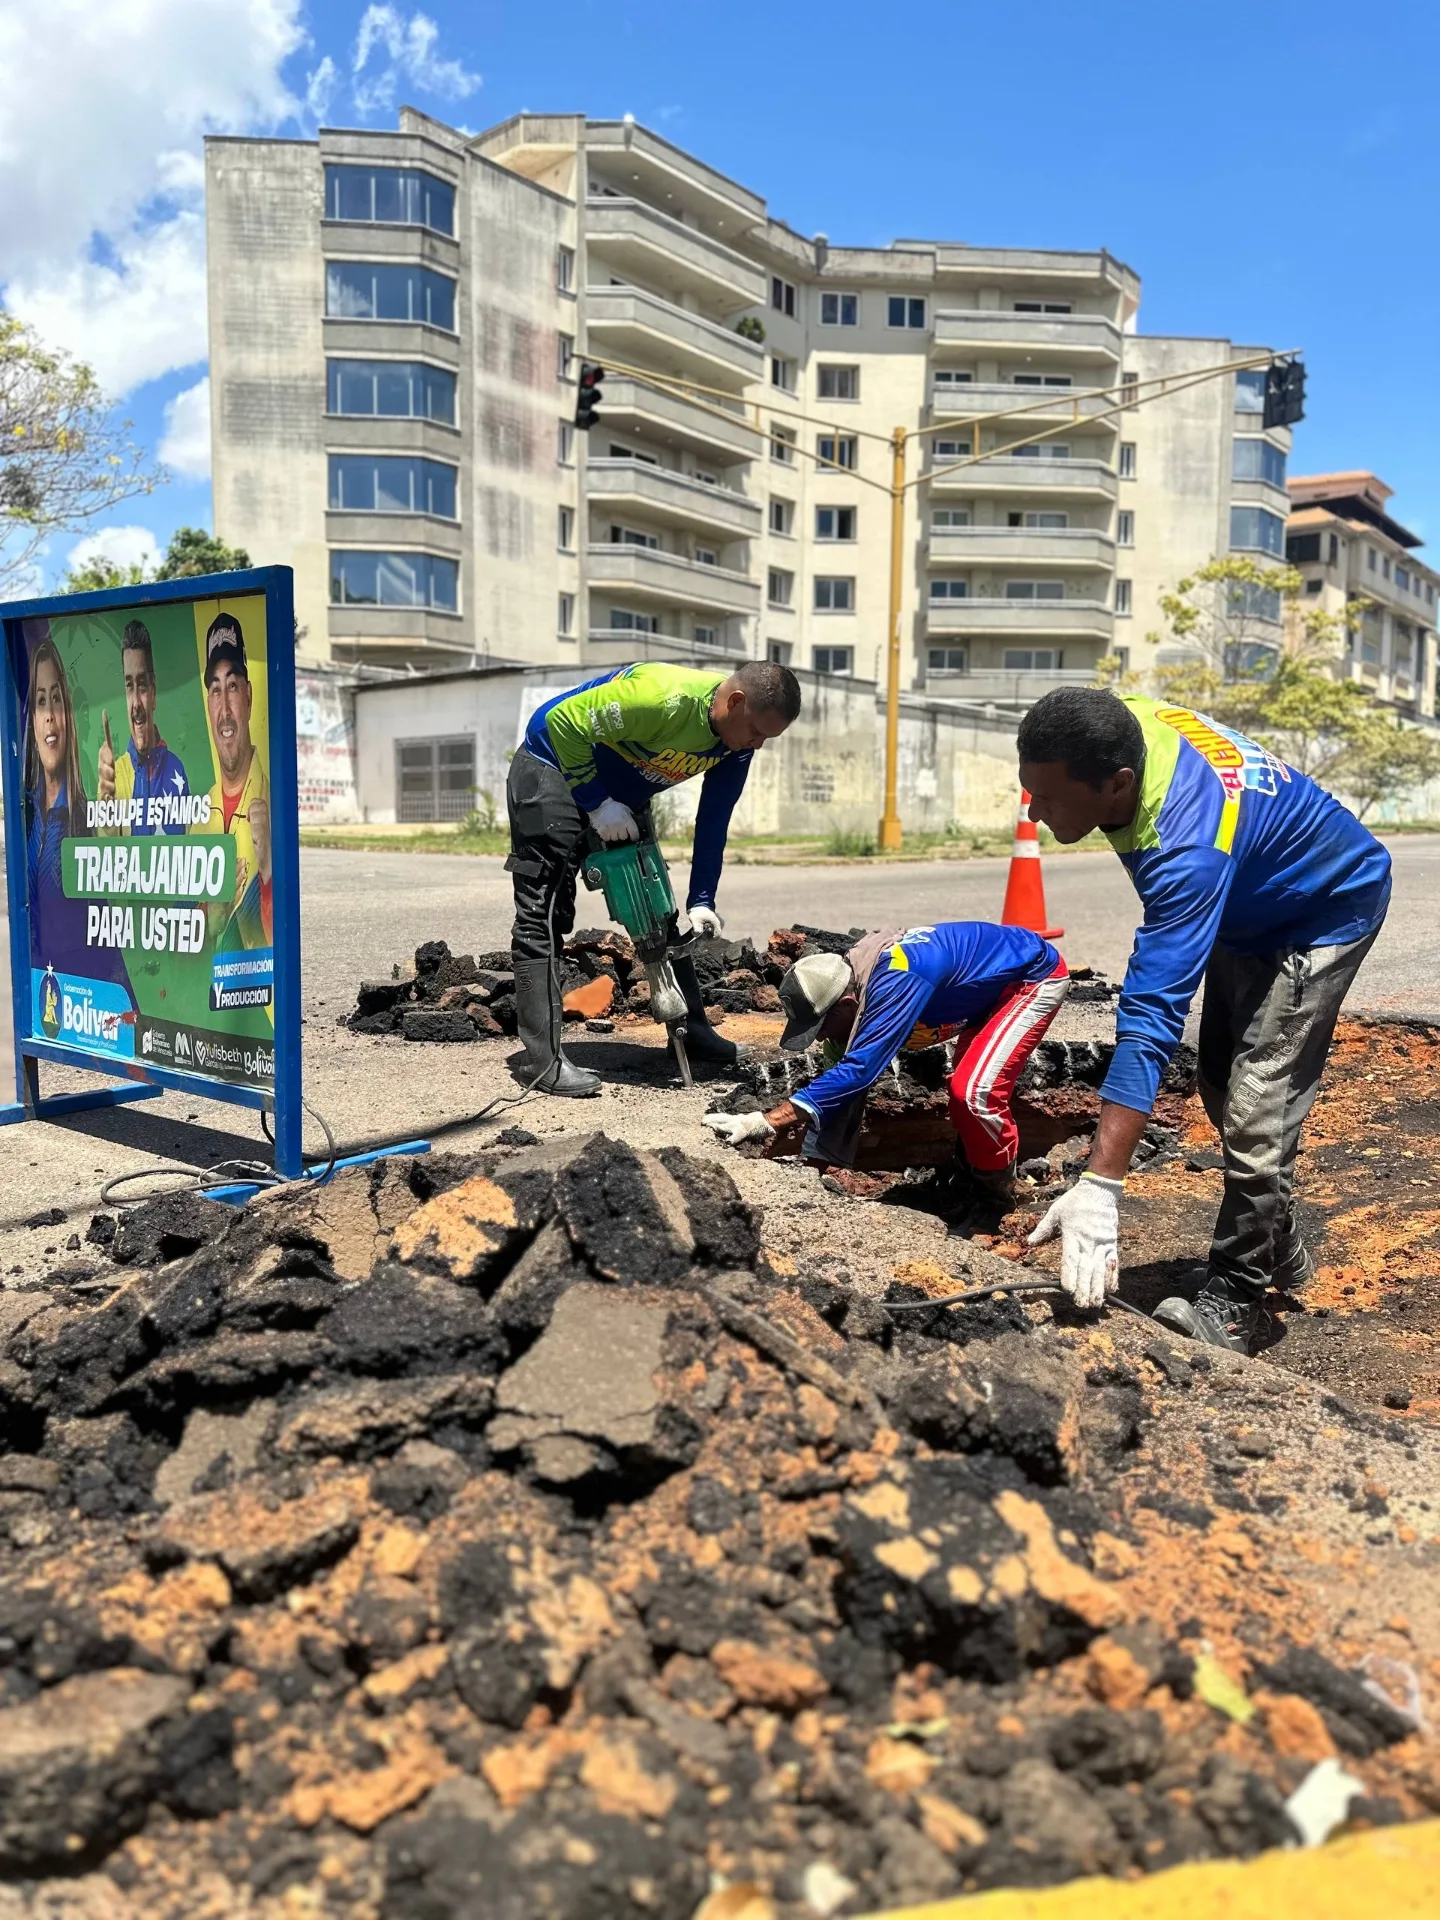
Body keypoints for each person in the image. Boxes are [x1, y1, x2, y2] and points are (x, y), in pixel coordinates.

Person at [1017, 686, 1391, 1354]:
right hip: (1246, 906)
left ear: (1117, 784)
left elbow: (1153, 1012)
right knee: (1218, 1088)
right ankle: (1277, 1237)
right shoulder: (1117, 730)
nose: (1035, 811)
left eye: (1049, 798)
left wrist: (1100, 1183)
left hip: (1327, 910)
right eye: (1029, 792)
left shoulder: (1183, 843)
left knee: (1255, 1108)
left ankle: (1236, 1299)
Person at [508, 659, 802, 1096]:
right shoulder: (662, 698)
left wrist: (703, 897)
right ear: (735, 701)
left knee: (654, 905)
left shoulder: (735, 742)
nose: (757, 745)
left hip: (623, 794)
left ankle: (693, 1033)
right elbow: (563, 720)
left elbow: (714, 818)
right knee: (545, 912)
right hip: (553, 769)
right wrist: (595, 802)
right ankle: (542, 1061)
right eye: (757, 732)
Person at [704, 923, 1070, 1204]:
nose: (817, 1038)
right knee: (961, 1091)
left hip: (1029, 978)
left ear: (846, 1006)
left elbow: (860, 1072)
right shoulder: (854, 974)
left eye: (819, 1026)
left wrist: (765, 1121)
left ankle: (996, 1197)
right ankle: (971, 1174)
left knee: (973, 1093)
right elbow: (841, 1082)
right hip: (982, 989)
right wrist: (812, 1170)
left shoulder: (894, 981)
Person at [193, 612, 271, 950]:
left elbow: (275, 943)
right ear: (207, 704)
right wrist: (212, 922)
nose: (225, 708)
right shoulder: (199, 815)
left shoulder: (270, 803)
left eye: (233, 686)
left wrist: (267, 866)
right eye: (215, 690)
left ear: (249, 696)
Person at [96, 618, 191, 835]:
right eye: (130, 686)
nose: (136, 703)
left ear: (154, 692)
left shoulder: (177, 770)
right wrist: (105, 809)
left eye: (142, 686)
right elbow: (104, 857)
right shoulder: (114, 776)